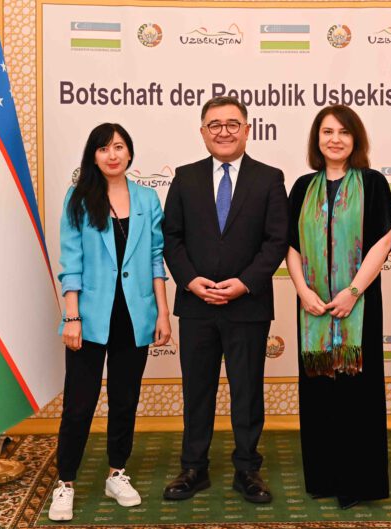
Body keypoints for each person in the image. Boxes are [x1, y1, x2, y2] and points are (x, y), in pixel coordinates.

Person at [162, 96, 288, 504]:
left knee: (247, 391)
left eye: (232, 124)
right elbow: (172, 237)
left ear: (247, 130)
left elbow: (276, 240)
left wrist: (245, 283)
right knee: (197, 390)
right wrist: (189, 280)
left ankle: (248, 469)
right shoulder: (185, 177)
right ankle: (193, 468)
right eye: (214, 125)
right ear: (202, 132)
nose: (224, 132)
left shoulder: (269, 178)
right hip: (196, 305)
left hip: (247, 306)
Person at [49, 123, 171, 521]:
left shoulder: (147, 198)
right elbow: (71, 262)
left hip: (135, 316)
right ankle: (65, 482)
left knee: (124, 400)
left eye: (119, 147)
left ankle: (117, 472)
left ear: (130, 153)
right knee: (79, 403)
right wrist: (72, 315)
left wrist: (162, 312)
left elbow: (155, 258)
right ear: (94, 155)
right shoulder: (79, 198)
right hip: (89, 317)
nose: (112, 155)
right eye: (104, 148)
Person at [286, 105, 391, 510]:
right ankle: (324, 477)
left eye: (343, 132)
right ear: (317, 139)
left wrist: (353, 291)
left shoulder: (372, 183)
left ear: (356, 139)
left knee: (357, 393)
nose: (335, 139)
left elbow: (384, 240)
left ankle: (359, 482)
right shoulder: (303, 187)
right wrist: (303, 291)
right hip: (312, 308)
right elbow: (291, 245)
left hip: (359, 307)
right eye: (327, 132)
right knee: (319, 392)